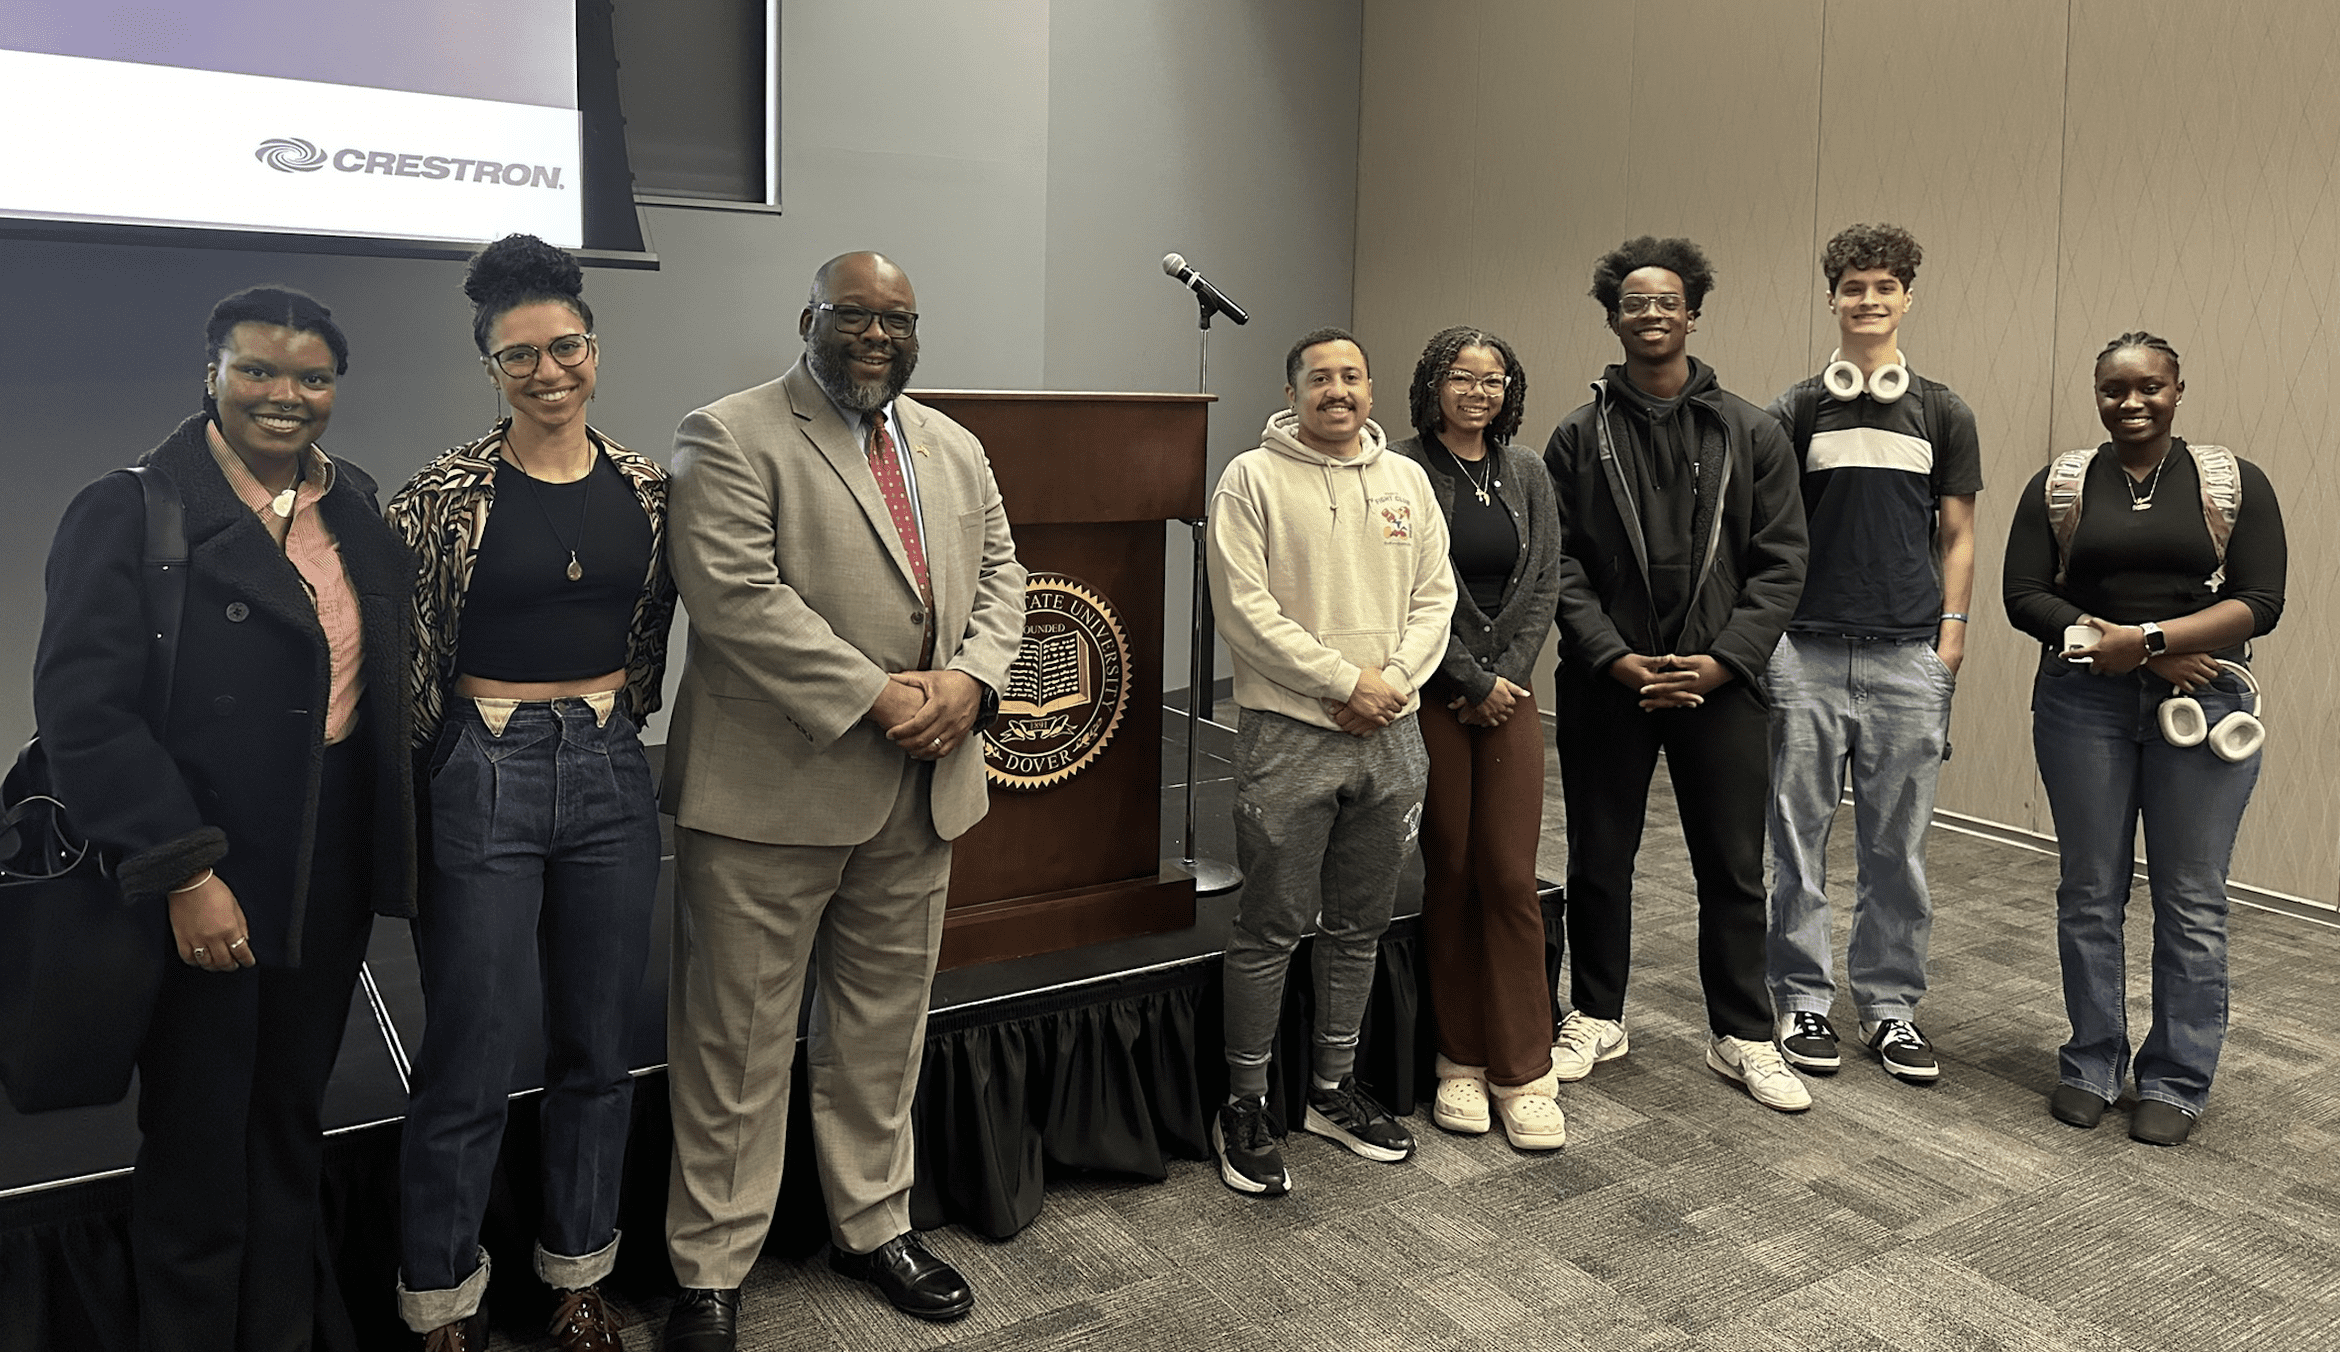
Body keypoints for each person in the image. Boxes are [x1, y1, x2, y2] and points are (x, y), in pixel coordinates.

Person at [33, 286, 418, 1350]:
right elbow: (84, 714)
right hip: (201, 864)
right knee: (200, 1136)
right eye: (257, 369)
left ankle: (284, 1328)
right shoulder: (130, 508)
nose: (283, 395)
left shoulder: (354, 504)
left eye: (311, 376)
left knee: (291, 1117)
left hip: (324, 861)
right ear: (210, 373)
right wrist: (184, 871)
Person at [656, 251, 1025, 1348]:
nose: (877, 334)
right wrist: (876, 697)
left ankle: (873, 1224)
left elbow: (1003, 573)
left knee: (882, 1030)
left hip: (921, 794)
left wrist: (975, 680)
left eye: (897, 318)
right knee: (739, 1041)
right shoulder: (728, 431)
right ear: (808, 317)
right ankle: (711, 1266)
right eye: (854, 315)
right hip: (775, 792)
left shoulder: (953, 445)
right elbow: (733, 594)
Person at [386, 235, 675, 1352]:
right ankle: (442, 1301)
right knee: (470, 1042)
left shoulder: (649, 488)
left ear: (594, 350)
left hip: (607, 765)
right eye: (521, 357)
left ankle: (579, 1277)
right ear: (490, 367)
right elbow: (414, 660)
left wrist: (615, 724)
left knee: (597, 1044)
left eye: (567, 347)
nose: (549, 371)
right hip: (483, 767)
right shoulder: (441, 495)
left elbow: (649, 633)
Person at [1542, 237, 1812, 1114]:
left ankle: (1742, 1033)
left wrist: (1723, 659)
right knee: (1598, 860)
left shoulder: (1752, 430)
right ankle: (1596, 1014)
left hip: (1721, 685)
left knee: (1734, 866)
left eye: (1667, 301)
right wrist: (1614, 659)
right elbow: (1560, 566)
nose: (1651, 313)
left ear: (1692, 312)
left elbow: (1781, 563)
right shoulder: (1577, 436)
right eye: (1633, 302)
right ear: (1613, 317)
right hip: (1605, 685)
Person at [2003, 331, 2285, 1147]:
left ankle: (2176, 1078)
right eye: (2114, 390)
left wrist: (2151, 642)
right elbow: (2026, 596)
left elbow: (2260, 599)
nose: (2132, 402)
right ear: (2098, 394)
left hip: (2203, 704)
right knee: (2089, 892)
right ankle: (2091, 1061)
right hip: (2082, 699)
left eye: (2149, 388)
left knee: (2191, 898)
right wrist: (2124, 646)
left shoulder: (2231, 481)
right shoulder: (2062, 483)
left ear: (2178, 390)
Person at [1205, 326, 1457, 1196]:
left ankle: (1329, 1089)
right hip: (1289, 737)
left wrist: (1387, 684)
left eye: (1352, 375)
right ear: (1292, 392)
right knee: (1270, 925)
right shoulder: (1250, 479)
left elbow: (1436, 599)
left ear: (1372, 389)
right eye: (1320, 377)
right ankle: (1243, 1101)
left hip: (1393, 733)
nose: (1337, 390)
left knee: (1361, 924)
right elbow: (1245, 611)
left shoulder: (1408, 482)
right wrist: (1346, 681)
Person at [1763, 224, 1983, 1088]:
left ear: (1906, 297)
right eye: (1854, 286)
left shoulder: (1942, 410)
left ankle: (1891, 1010)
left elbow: (1959, 532)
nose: (1869, 300)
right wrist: (1773, 633)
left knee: (1899, 847)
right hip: (1806, 654)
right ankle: (1802, 1001)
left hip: (1908, 658)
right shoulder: (1799, 408)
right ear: (1833, 297)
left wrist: (1952, 634)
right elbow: (1768, 531)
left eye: (1884, 287)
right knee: (1796, 837)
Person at [1389, 326, 1564, 1149]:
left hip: (1510, 698)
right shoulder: (1402, 468)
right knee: (1450, 868)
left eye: (1495, 381)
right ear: (1433, 383)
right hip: (1431, 691)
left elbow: (1543, 582)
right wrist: (1467, 678)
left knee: (1509, 874)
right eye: (1463, 378)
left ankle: (1523, 1069)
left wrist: (1506, 678)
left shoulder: (1527, 471)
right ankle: (1458, 1060)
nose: (1479, 393)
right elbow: (1413, 587)